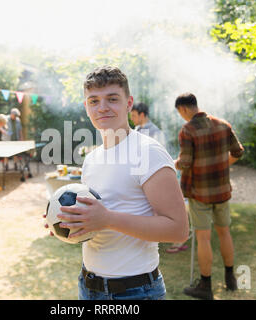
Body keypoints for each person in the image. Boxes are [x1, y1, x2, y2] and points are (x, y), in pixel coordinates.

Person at [45, 66, 189, 300]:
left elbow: (178, 230)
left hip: (134, 292)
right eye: (94, 101)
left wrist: (108, 219)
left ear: (129, 103)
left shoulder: (147, 152)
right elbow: (95, 220)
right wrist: (67, 221)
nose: (102, 107)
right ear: (86, 107)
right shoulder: (92, 158)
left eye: (112, 99)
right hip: (88, 287)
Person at [174, 93, 244, 300]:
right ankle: (230, 279)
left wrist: (176, 163)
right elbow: (238, 152)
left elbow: (185, 163)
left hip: (199, 193)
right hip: (222, 191)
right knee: (225, 233)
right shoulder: (223, 125)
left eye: (180, 113)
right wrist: (223, 164)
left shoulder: (188, 130)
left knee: (203, 238)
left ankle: (205, 286)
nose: (182, 117)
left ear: (184, 109)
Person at [131, 102, 188, 254]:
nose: (132, 118)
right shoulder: (136, 130)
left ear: (142, 115)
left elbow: (160, 157)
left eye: (134, 115)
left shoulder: (155, 132)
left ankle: (165, 239)